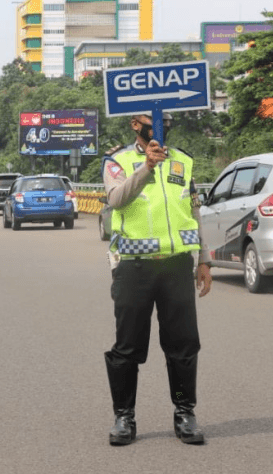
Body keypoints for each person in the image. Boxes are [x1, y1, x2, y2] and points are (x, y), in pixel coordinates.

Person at [102, 112, 212, 446]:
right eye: (152, 115)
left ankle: (184, 413)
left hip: (177, 265)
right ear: (136, 124)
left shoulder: (182, 160)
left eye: (165, 114)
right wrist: (146, 167)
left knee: (182, 346)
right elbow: (117, 199)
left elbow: (192, 211)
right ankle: (124, 417)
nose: (162, 119)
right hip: (134, 267)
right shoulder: (117, 161)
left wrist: (203, 260)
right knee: (127, 348)